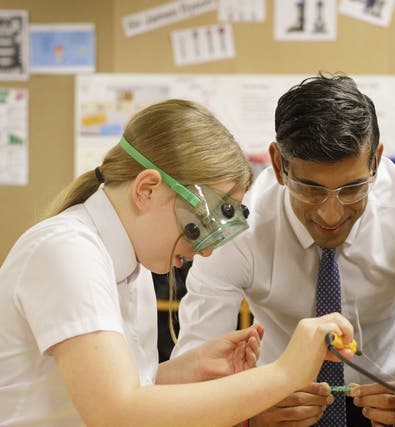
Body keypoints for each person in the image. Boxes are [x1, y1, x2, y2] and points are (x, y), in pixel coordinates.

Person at [0, 98, 355, 426]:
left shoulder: (130, 266)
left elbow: (104, 392)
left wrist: (185, 371)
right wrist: (285, 373)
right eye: (199, 224)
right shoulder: (68, 251)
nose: (205, 251)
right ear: (147, 190)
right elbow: (117, 415)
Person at [173, 73, 395, 426]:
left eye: (352, 188)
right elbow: (196, 355)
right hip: (275, 400)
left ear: (375, 161)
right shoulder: (241, 222)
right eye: (310, 189)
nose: (331, 213)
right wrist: (243, 413)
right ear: (279, 165)